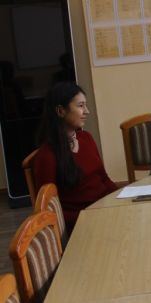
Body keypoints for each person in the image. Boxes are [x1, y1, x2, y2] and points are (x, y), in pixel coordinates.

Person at [34, 82, 118, 233]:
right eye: (80, 106)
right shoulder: (47, 155)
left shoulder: (86, 138)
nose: (87, 111)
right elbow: (48, 210)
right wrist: (88, 216)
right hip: (82, 224)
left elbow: (104, 179)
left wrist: (122, 197)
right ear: (61, 111)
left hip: (105, 211)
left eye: (86, 105)